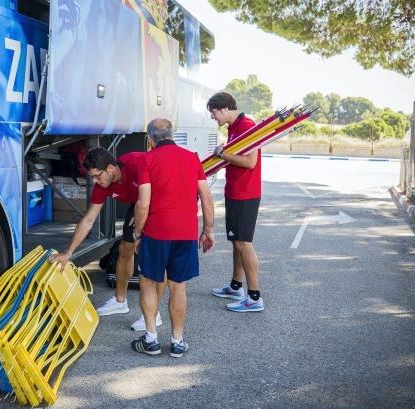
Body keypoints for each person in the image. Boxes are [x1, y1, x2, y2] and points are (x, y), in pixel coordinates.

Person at [50, 147, 163, 330]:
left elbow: (163, 185)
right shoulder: (102, 186)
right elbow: (88, 220)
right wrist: (68, 253)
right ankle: (120, 302)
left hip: (160, 198)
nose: (95, 181)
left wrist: (146, 212)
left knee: (152, 256)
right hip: (139, 203)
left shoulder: (137, 163)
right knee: (125, 249)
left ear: (110, 169)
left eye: (97, 176)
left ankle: (154, 314)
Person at [131, 118, 215, 357]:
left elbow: (143, 202)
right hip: (186, 233)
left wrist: (138, 233)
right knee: (178, 287)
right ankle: (177, 342)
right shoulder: (192, 158)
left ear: (150, 139)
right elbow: (206, 198)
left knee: (147, 281)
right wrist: (208, 231)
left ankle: (151, 339)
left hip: (157, 232)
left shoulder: (147, 159)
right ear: (172, 134)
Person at [206, 92, 264, 313]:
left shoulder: (247, 125)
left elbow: (250, 162)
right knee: (236, 241)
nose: (213, 118)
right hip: (235, 191)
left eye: (213, 113)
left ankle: (254, 297)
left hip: (245, 193)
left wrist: (223, 155)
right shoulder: (235, 127)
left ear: (223, 109)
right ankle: (236, 286)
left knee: (243, 243)